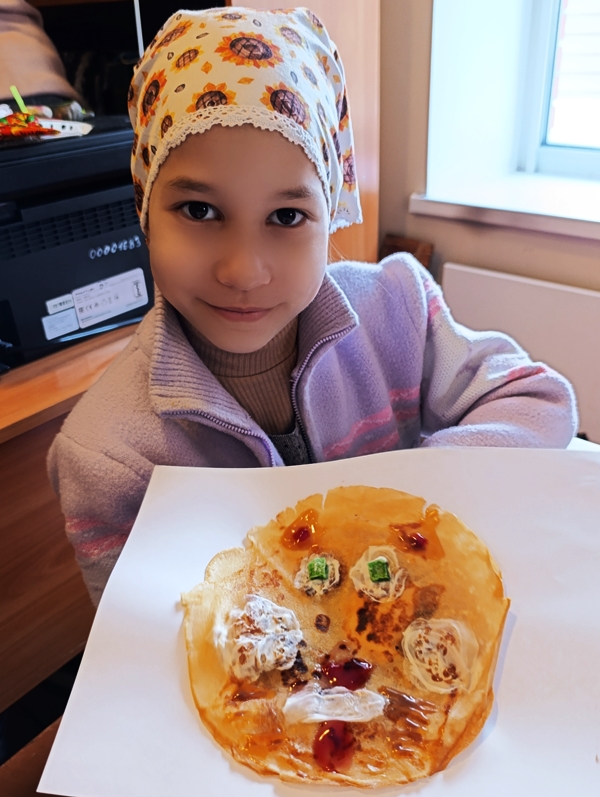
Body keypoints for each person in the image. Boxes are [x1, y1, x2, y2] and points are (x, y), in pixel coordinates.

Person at [48, 7, 577, 606]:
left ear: (332, 215)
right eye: (199, 210)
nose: (243, 271)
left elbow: (538, 399)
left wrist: (409, 495)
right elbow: (141, 638)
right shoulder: (107, 454)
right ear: (145, 208)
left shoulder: (398, 309)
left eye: (286, 216)